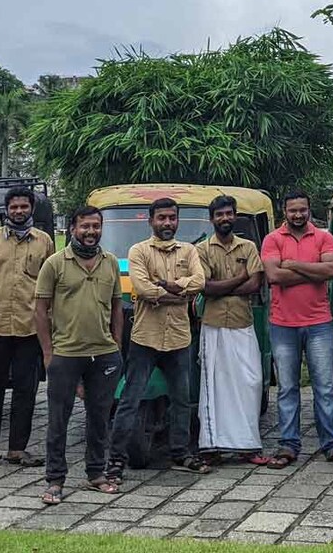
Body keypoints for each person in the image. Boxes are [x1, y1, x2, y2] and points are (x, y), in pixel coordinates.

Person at [106, 198, 209, 482]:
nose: (167, 223)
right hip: (145, 338)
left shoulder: (189, 251)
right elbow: (142, 288)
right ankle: (115, 459)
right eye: (162, 218)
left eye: (172, 218)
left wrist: (167, 287)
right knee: (129, 399)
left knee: (182, 399)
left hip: (179, 338)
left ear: (178, 221)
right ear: (150, 221)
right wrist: (180, 293)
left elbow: (199, 281)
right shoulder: (138, 251)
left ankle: (181, 452)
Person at [260, 190, 333, 470]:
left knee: (324, 388)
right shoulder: (272, 239)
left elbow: (332, 271)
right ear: (284, 212)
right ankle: (289, 445)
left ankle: (331, 444)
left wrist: (293, 265)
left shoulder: (323, 237)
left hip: (318, 323)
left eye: (302, 209)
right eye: (293, 210)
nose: (298, 215)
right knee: (288, 388)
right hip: (283, 325)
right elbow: (274, 276)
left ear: (309, 210)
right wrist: (313, 269)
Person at [34, 206, 124, 504]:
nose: (91, 232)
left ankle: (96, 474)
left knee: (99, 418)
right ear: (72, 228)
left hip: (104, 354)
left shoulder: (110, 262)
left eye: (96, 226)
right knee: (59, 419)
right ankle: (55, 480)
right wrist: (48, 353)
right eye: (85, 226)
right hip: (66, 353)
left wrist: (117, 347)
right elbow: (40, 310)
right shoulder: (55, 263)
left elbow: (117, 309)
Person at [0, 187, 55, 472]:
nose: (18, 212)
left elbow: (50, 284)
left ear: (31, 209)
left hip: (30, 329)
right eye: (14, 207)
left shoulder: (45, 242)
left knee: (26, 390)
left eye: (23, 207)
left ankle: (17, 449)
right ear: (6, 210)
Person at [196, 195, 269, 466]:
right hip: (213, 325)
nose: (224, 218)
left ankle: (247, 444)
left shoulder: (248, 246)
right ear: (212, 218)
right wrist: (240, 278)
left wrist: (222, 285)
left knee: (250, 382)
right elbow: (205, 287)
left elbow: (255, 285)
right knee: (214, 386)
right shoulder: (202, 250)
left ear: (235, 215)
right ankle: (211, 445)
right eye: (219, 215)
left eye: (228, 213)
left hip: (242, 323)